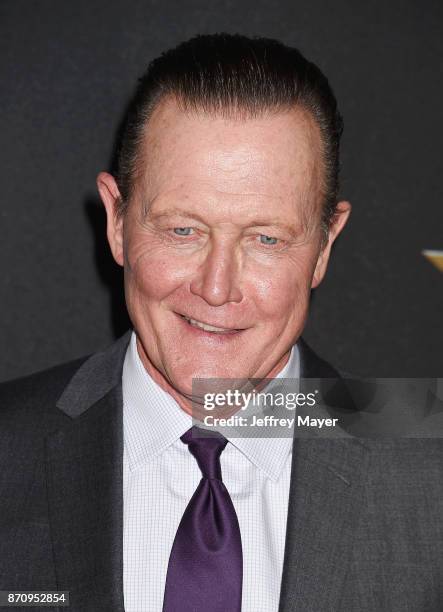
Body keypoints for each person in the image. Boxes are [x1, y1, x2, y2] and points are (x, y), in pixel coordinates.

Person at [0, 33, 442, 612]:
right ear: (116, 221)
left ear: (325, 246)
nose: (215, 288)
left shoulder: (429, 465)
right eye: (183, 230)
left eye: (266, 239)